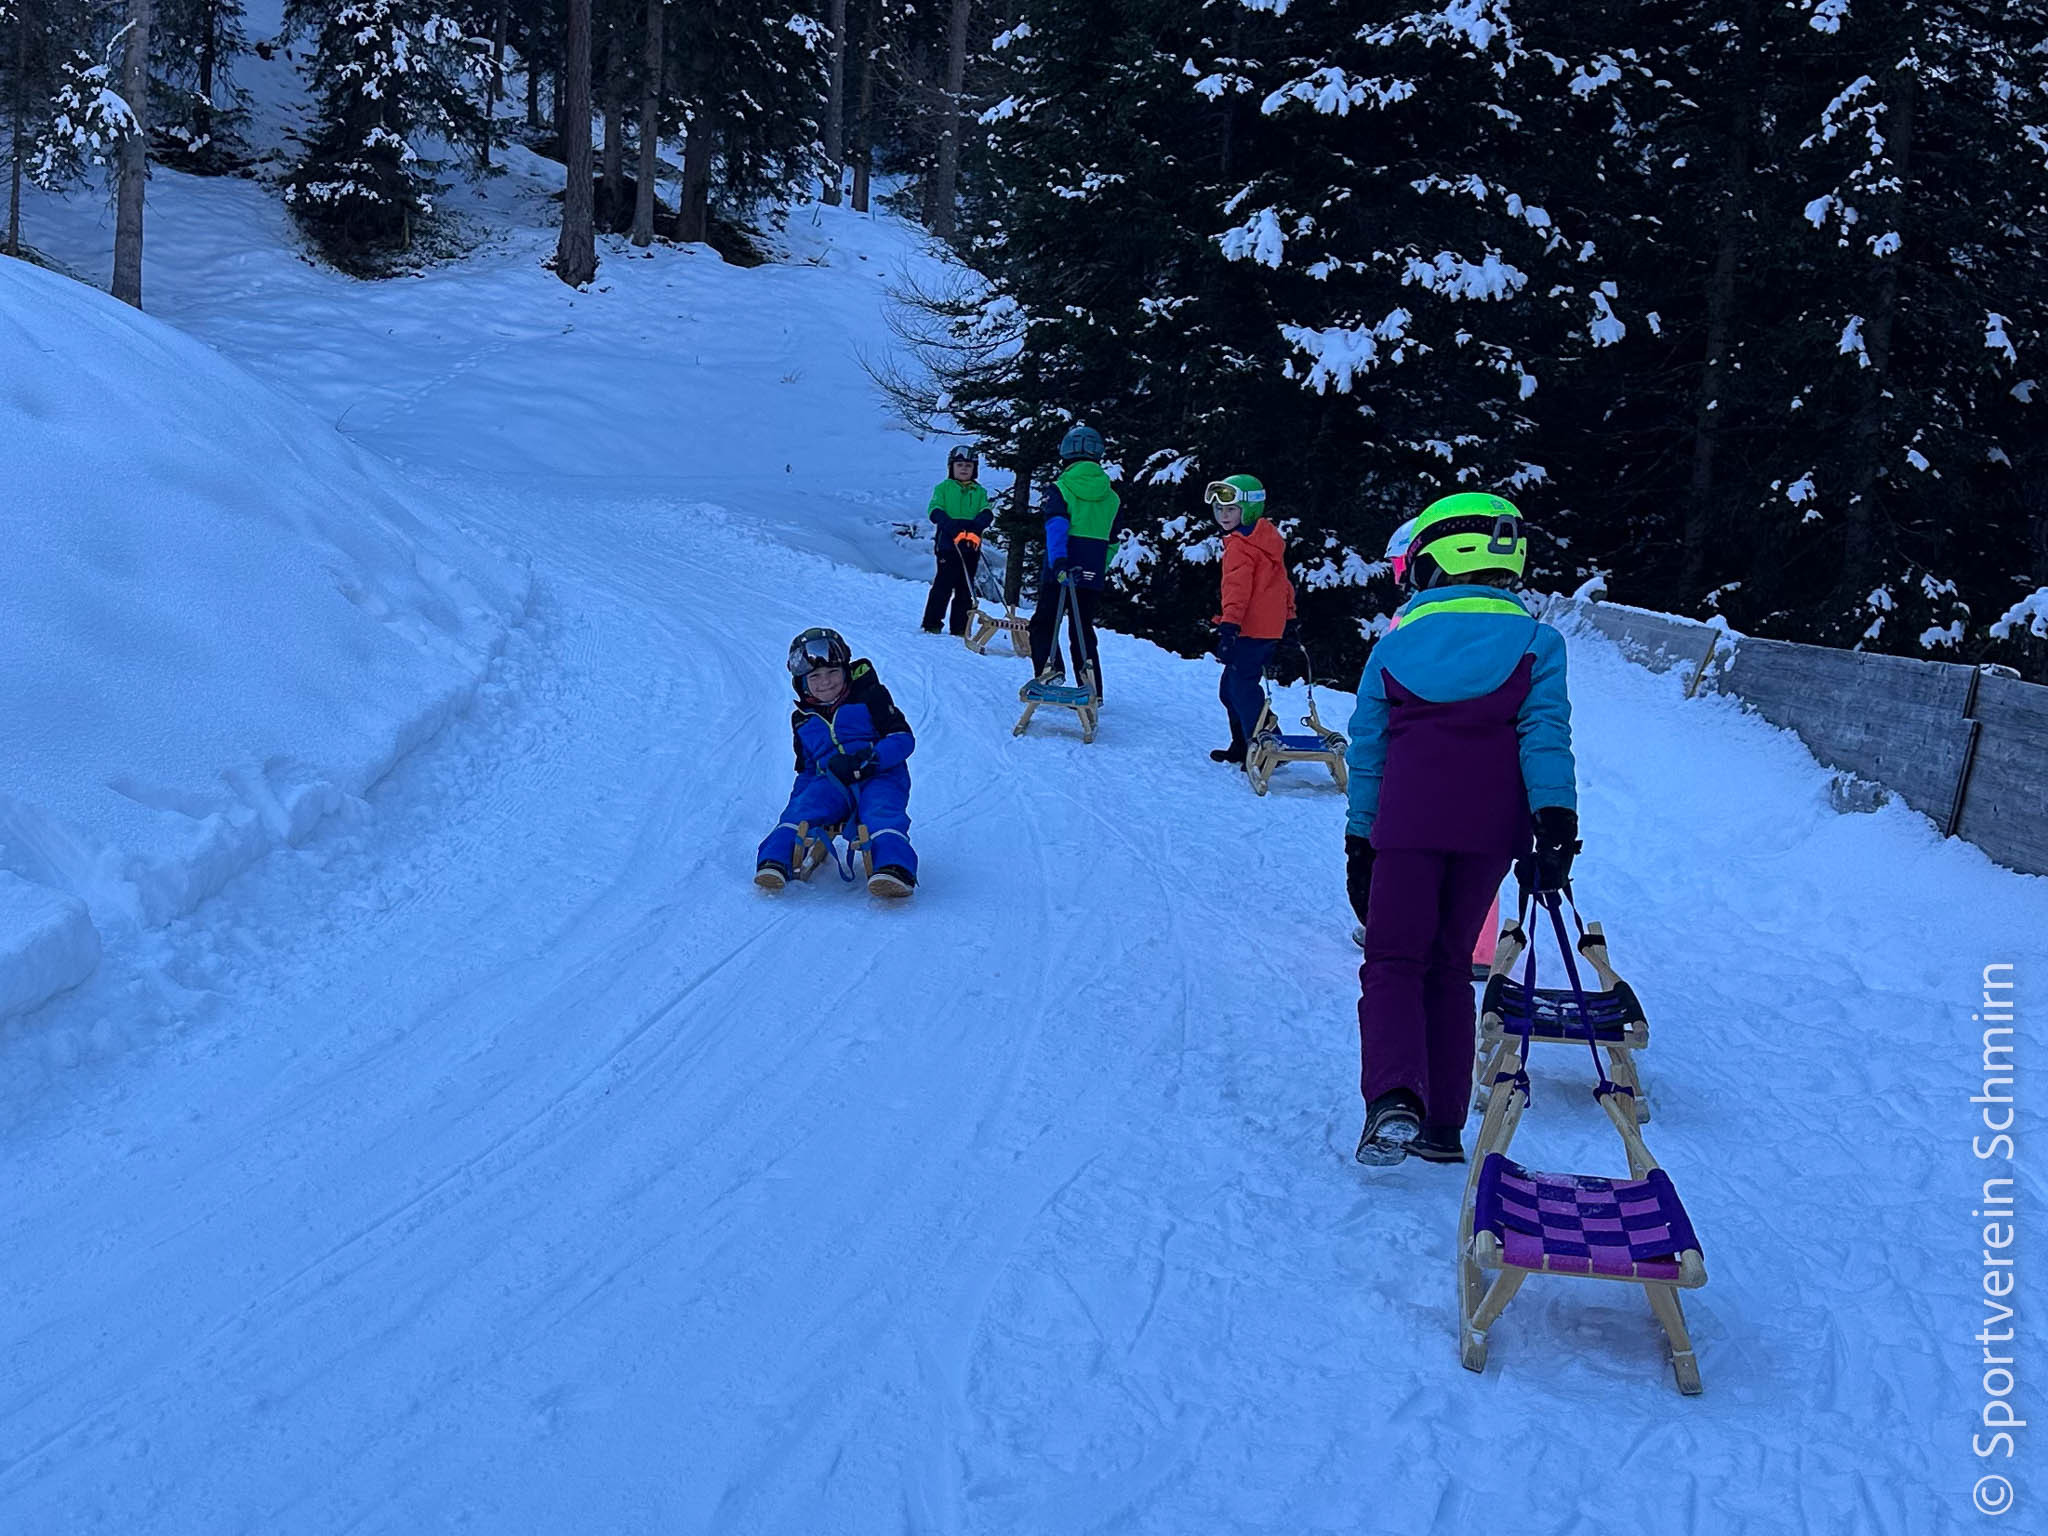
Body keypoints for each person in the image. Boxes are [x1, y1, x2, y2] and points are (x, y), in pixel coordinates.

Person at [1345, 493, 1579, 1167]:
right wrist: (1554, 824)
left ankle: (1394, 1096)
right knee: (1449, 966)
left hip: (1405, 826)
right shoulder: (1538, 644)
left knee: (1394, 962)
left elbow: (1370, 750)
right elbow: (1545, 737)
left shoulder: (1396, 646)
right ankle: (1443, 1126)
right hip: (1489, 833)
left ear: (1437, 560)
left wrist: (1359, 839)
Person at [756, 628, 919, 898]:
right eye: (815, 676)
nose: (825, 682)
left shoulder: (870, 697)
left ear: (845, 671)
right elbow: (807, 770)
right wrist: (797, 801)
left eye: (833, 672)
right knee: (802, 810)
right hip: (832, 781)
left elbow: (902, 739)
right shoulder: (803, 720)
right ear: (802, 682)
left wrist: (868, 760)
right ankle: (775, 860)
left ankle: (894, 867)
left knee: (881, 812)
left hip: (881, 775)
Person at [1205, 474, 1299, 767]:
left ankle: (1265, 748)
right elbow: (1282, 584)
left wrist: (1229, 626)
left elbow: (1237, 590)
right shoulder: (1264, 539)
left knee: (1242, 688)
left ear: (1248, 510)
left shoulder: (1242, 546)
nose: (1224, 515)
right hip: (1262, 628)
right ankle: (1244, 744)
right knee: (1230, 688)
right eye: (1219, 509)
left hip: (1250, 629)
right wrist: (1289, 617)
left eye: (1231, 509)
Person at [1028, 424, 1125, 697]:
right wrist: (1099, 567)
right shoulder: (1112, 497)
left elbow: (1057, 527)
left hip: (1060, 567)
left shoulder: (1061, 488)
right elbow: (1113, 540)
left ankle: (1050, 672)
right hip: (1091, 570)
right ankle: (1092, 687)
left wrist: (1059, 561)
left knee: (1044, 624)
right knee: (1082, 630)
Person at [921, 446, 994, 636]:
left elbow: (986, 511)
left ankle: (960, 627)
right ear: (951, 467)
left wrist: (977, 526)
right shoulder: (943, 488)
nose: (964, 469)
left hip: (971, 545)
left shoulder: (979, 491)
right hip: (948, 544)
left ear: (974, 469)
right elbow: (935, 510)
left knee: (965, 586)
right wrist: (950, 526)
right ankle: (932, 623)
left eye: (968, 466)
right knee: (944, 584)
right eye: (960, 465)